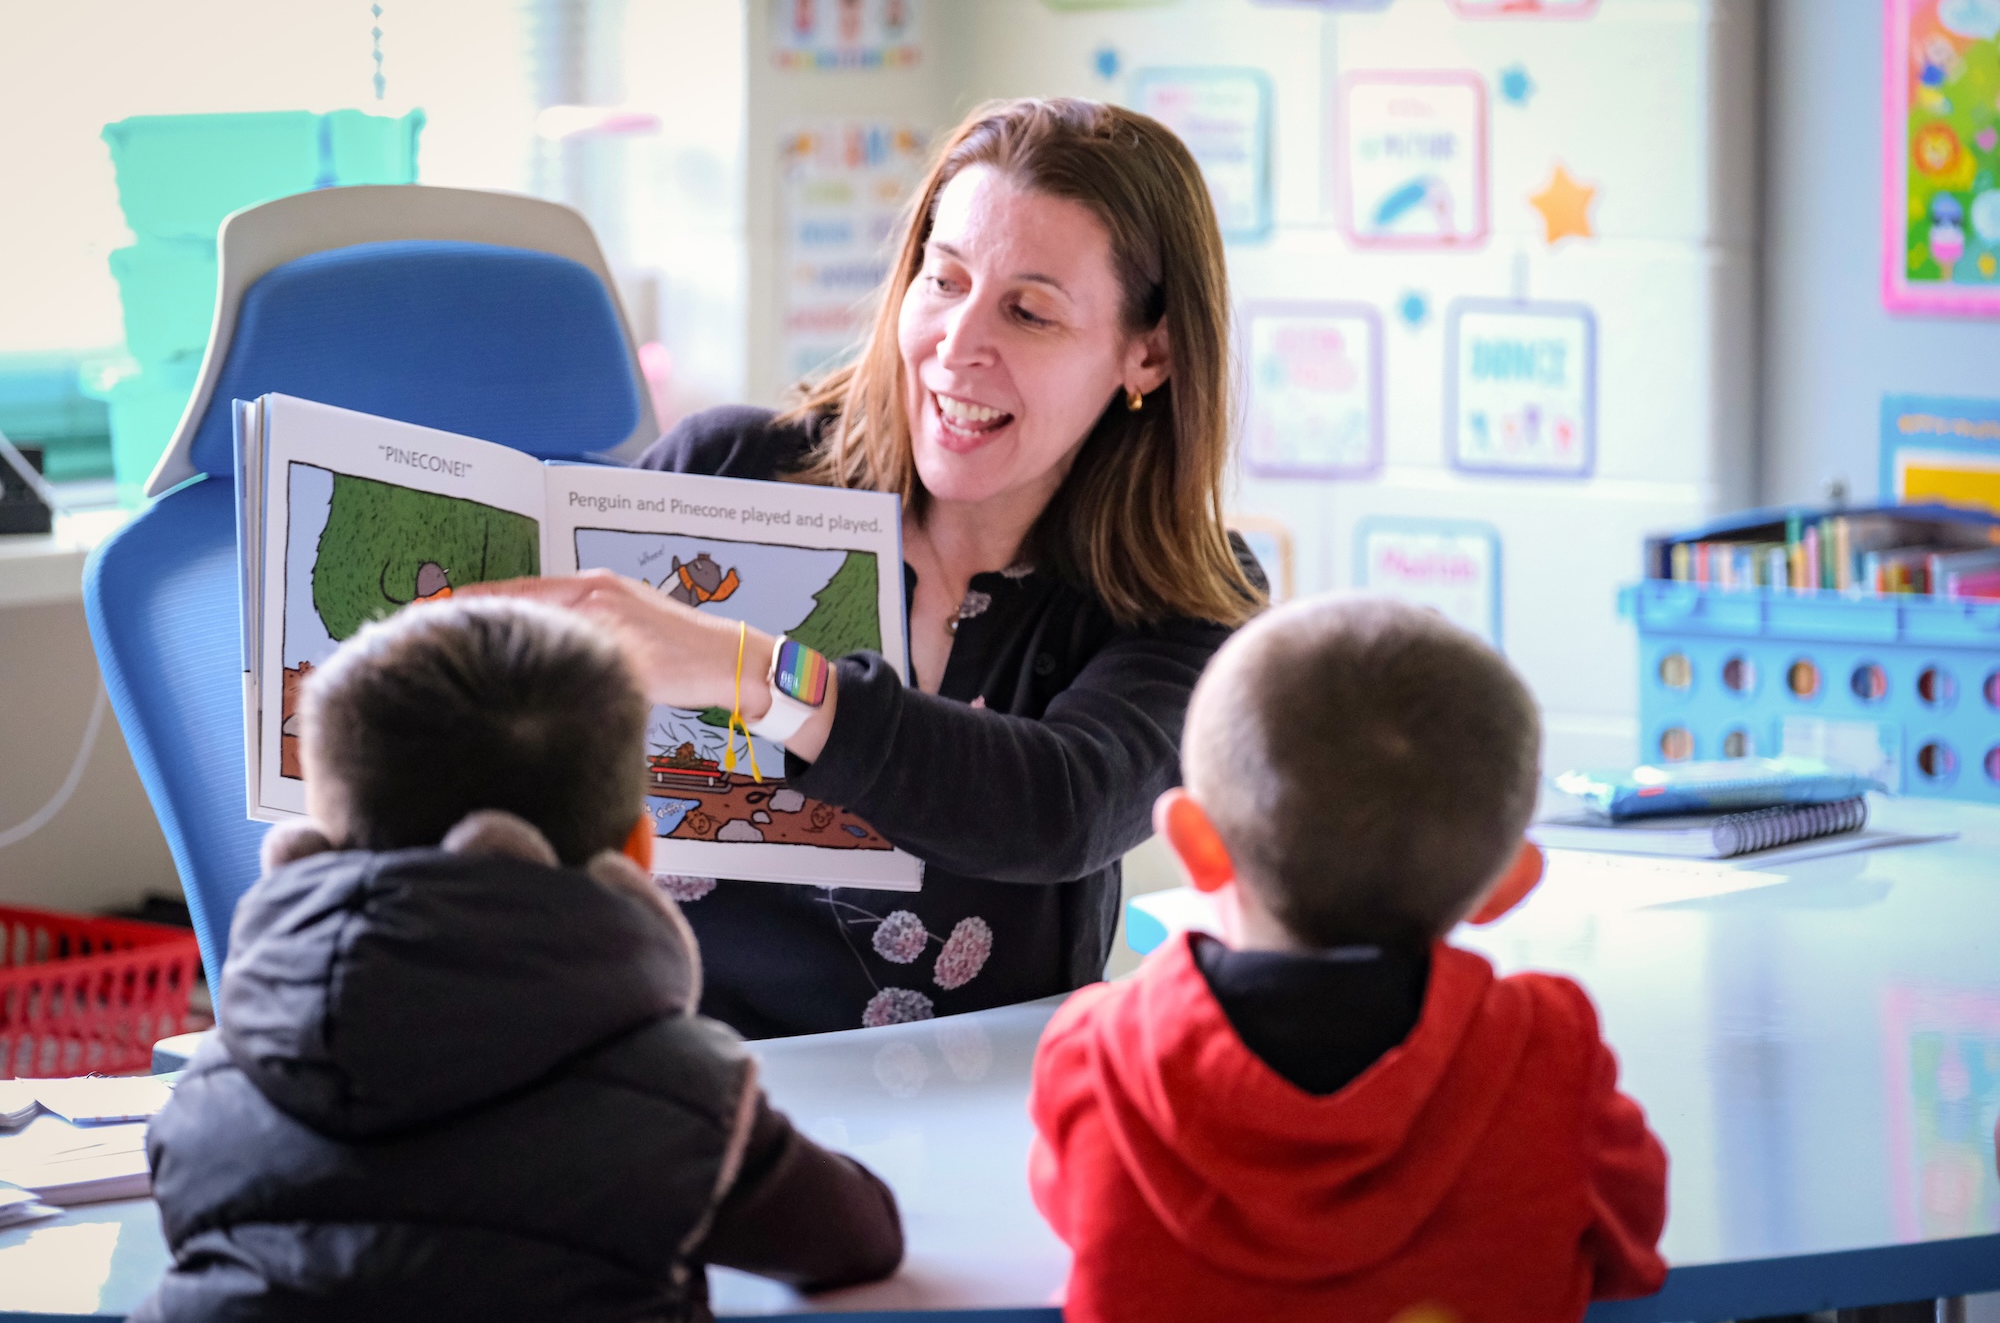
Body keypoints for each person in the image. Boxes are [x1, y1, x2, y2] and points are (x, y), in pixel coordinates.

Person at [482, 97, 1262, 1037]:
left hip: (972, 1098)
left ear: (1150, 354)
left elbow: (1065, 805)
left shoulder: (1188, 593)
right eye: (944, 280)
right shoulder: (728, 471)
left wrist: (751, 672)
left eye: (1028, 312)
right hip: (677, 1072)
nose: (957, 346)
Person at [135, 598, 903, 1323]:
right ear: (637, 855)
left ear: (310, 852)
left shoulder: (206, 1094)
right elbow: (861, 1238)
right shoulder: (683, 1094)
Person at [1027, 596, 1669, 1323]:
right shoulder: (1547, 1056)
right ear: (1508, 885)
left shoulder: (1100, 1057)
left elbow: (1074, 1214)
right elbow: (1632, 1240)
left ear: (1195, 845)